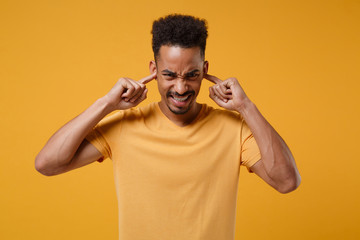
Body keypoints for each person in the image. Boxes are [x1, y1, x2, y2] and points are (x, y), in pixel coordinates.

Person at [35, 14, 301, 240]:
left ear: (204, 69)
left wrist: (247, 107)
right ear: (154, 69)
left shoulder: (234, 129)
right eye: (170, 75)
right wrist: (105, 104)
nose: (181, 88)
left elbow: (287, 182)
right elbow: (47, 164)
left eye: (192, 75)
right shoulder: (125, 127)